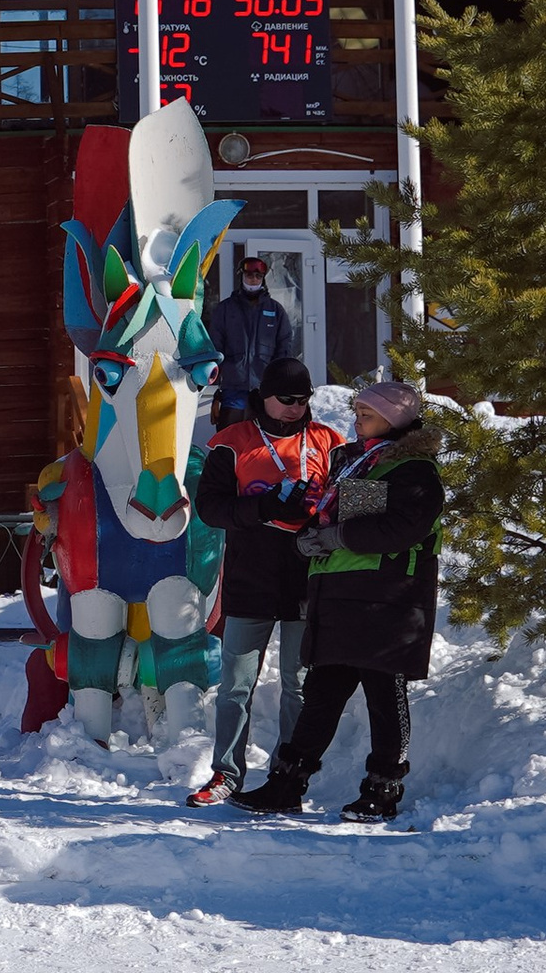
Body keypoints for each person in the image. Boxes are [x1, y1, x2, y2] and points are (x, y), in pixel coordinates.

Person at [237, 378, 443, 824]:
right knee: (321, 696)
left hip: (388, 600)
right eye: (357, 413)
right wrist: (310, 538)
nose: (357, 421)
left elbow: (400, 529)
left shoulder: (414, 469)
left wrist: (336, 537)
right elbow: (339, 516)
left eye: (367, 415)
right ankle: (286, 785)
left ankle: (382, 791)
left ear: (393, 420)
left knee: (385, 696)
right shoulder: (357, 463)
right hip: (340, 595)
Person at [188, 356, 341, 804]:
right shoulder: (232, 442)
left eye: (304, 399)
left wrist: (320, 519)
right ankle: (226, 774)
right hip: (251, 577)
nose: (296, 407)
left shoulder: (329, 441)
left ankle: (287, 776)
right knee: (236, 686)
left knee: (298, 685)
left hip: (307, 579)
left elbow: (348, 500)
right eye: (286, 399)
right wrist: (263, 507)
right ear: (264, 397)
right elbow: (210, 508)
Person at [210, 255, 293, 426]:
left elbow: (284, 347)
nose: (253, 279)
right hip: (233, 387)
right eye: (249, 275)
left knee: (261, 437)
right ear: (241, 276)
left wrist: (278, 380)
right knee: (229, 435)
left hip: (264, 389)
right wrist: (215, 383)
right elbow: (214, 346)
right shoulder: (225, 309)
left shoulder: (275, 310)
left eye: (258, 276)